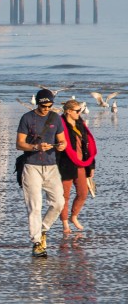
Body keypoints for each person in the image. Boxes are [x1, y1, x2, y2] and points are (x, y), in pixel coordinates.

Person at [17, 89, 67, 257]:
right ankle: (37, 243)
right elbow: (19, 144)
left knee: (59, 202)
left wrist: (61, 146)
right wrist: (35, 147)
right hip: (31, 166)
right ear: (37, 103)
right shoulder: (27, 118)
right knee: (35, 207)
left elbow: (63, 141)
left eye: (49, 105)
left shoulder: (55, 118)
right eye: (43, 105)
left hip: (52, 166)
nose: (46, 108)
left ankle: (43, 229)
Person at [57, 99, 96, 234]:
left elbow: (88, 146)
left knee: (83, 193)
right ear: (68, 111)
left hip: (81, 164)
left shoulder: (81, 124)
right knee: (64, 196)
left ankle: (74, 216)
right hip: (65, 165)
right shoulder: (60, 125)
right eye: (77, 111)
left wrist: (91, 166)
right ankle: (65, 224)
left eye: (80, 110)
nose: (80, 112)